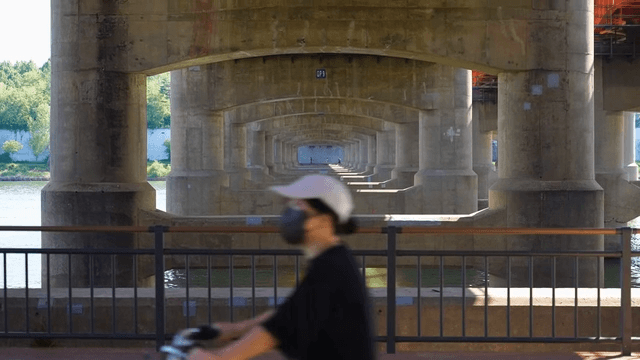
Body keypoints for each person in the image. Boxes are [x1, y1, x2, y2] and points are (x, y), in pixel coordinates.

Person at [187, 174, 376, 360]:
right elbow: (288, 314)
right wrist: (234, 329)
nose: (290, 213)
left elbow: (275, 331)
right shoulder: (334, 259)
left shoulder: (330, 271)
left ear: (324, 221)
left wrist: (214, 357)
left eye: (298, 206)